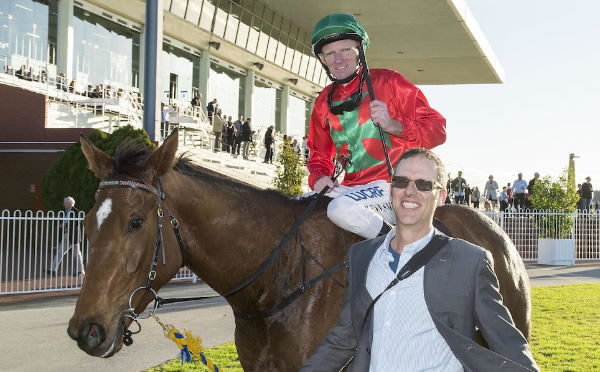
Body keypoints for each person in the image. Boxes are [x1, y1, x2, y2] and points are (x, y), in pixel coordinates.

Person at [300, 148, 539, 372]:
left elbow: (508, 344)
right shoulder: (362, 256)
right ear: (391, 189)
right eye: (401, 182)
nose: (410, 192)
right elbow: (343, 340)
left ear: (442, 196)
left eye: (424, 184)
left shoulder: (470, 261)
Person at [306, 13, 446, 238]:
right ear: (323, 59)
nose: (338, 59)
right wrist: (319, 176)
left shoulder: (389, 82)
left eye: (345, 51)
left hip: (393, 186)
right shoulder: (323, 101)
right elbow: (319, 155)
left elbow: (438, 129)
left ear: (359, 52)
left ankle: (398, 246)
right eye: (330, 53)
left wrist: (395, 125)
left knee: (341, 209)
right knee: (295, 207)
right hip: (350, 188)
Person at [47, 197, 85, 277]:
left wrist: (65, 224)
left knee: (76, 254)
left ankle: (81, 271)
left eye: (65, 202)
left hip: (73, 236)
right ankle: (52, 269)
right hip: (66, 235)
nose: (63, 204)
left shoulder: (76, 211)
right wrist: (63, 225)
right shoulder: (66, 212)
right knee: (60, 252)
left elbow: (76, 223)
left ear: (70, 203)